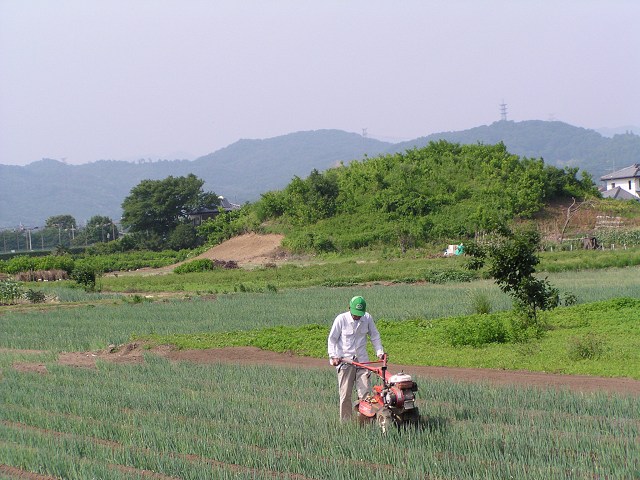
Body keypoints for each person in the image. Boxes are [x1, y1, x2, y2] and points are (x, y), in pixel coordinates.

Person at [327, 295, 385, 422]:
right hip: (345, 361)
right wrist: (334, 356)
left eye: (360, 314)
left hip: (362, 361)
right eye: (355, 314)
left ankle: (364, 422)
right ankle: (346, 422)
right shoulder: (341, 319)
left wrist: (379, 352)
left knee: (365, 394)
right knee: (345, 395)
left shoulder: (367, 318)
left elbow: (374, 335)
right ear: (349, 308)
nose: (357, 317)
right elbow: (332, 339)